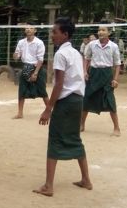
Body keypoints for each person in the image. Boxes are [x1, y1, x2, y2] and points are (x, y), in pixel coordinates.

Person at [33, 17, 92, 197]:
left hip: (66, 102)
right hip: (77, 101)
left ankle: (48, 186)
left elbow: (59, 84)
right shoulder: (76, 53)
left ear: (65, 34)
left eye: (54, 32)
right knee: (75, 138)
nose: (52, 35)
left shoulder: (61, 54)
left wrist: (48, 108)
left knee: (55, 139)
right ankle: (86, 180)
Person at [80, 25, 122, 136]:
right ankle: (81, 124)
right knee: (87, 98)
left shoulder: (113, 46)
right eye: (99, 30)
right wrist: (85, 72)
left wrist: (115, 79)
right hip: (93, 74)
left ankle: (116, 128)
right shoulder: (92, 45)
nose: (100, 32)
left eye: (103, 30)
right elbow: (86, 59)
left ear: (108, 33)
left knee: (110, 101)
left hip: (107, 75)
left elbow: (117, 64)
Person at [12, 24, 49, 119]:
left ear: (35, 30)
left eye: (31, 28)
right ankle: (20, 113)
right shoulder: (21, 42)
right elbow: (16, 56)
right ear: (25, 31)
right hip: (25, 68)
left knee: (43, 91)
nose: (28, 30)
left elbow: (40, 59)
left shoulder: (39, 43)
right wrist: (15, 56)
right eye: (27, 28)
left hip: (37, 68)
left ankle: (49, 111)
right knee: (21, 91)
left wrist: (35, 73)